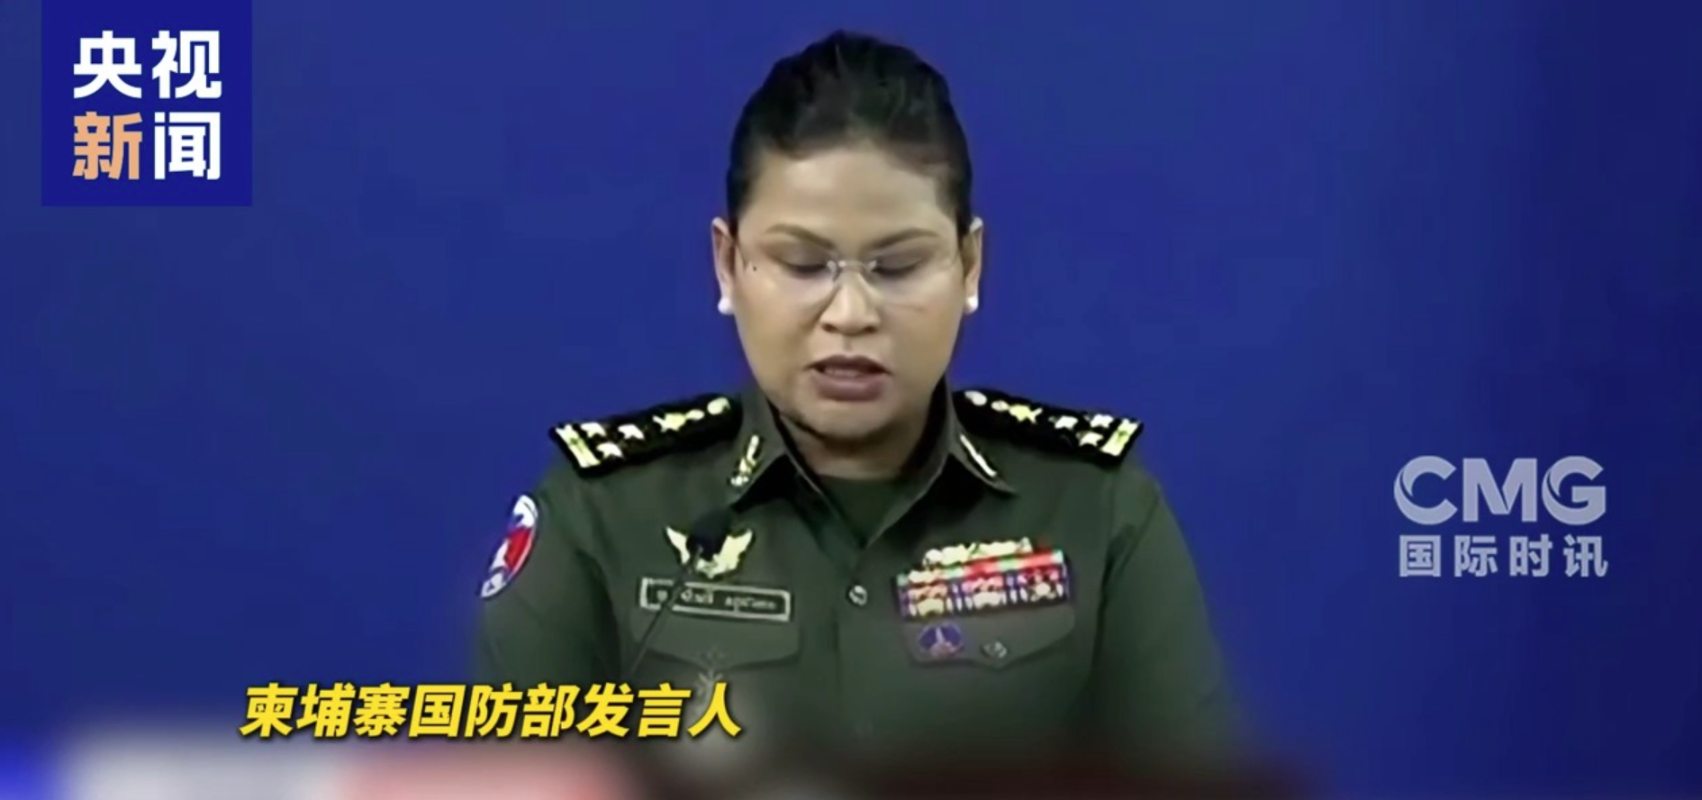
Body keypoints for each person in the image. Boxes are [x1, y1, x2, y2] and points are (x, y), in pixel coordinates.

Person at [474, 29, 1238, 763]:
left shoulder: (1096, 513)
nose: (850, 314)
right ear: (728, 266)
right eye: (803, 265)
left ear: (970, 265)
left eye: (897, 267)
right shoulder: (602, 518)